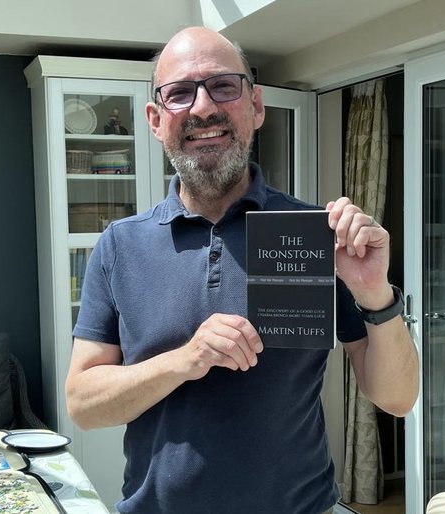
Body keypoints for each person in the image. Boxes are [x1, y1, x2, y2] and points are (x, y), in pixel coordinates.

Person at [65, 26, 419, 514]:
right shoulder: (119, 246)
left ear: (256, 106)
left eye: (223, 86)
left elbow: (398, 399)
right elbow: (83, 404)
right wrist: (184, 360)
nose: (203, 107)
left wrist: (375, 292)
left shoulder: (316, 236)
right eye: (180, 93)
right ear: (155, 119)